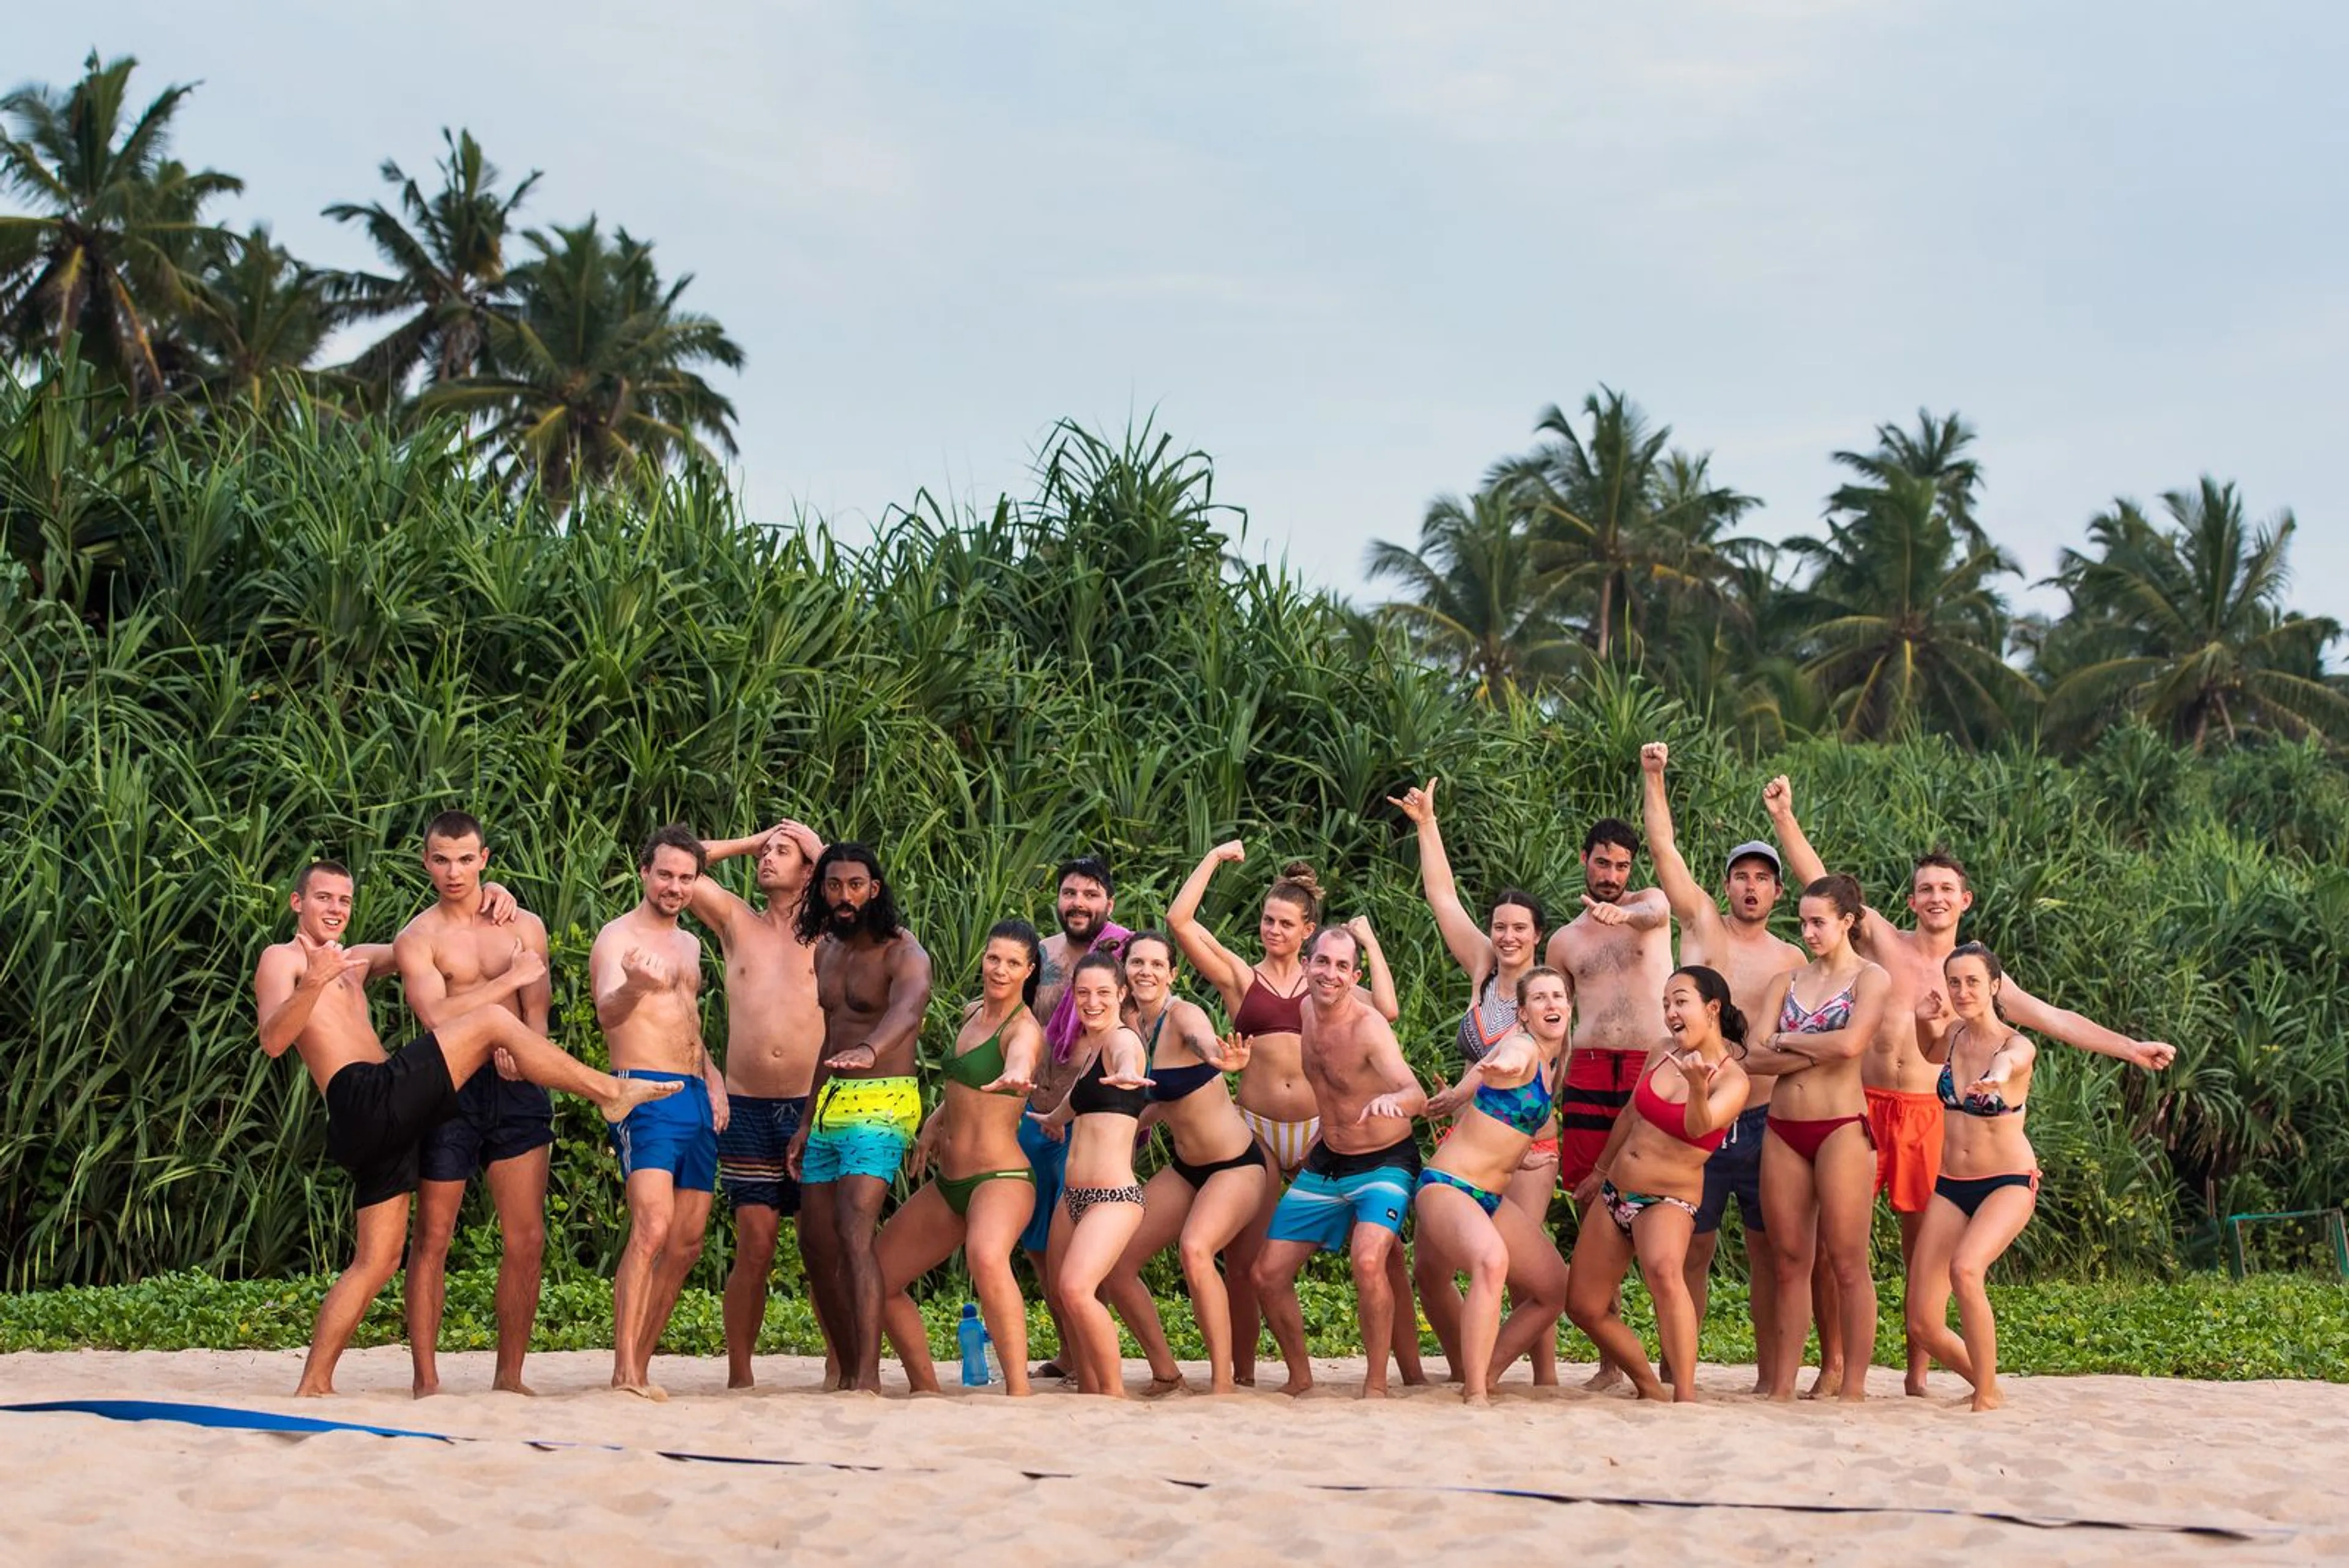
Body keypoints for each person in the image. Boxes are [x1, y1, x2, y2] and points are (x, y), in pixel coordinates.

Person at [1765, 777, 2174, 1395]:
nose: (1936, 897)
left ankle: (1917, 1372)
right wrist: (1785, 818)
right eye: (1926, 888)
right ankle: (1834, 1363)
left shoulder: (1976, 976)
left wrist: (2131, 1048)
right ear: (1911, 899)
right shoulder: (1883, 942)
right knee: (1831, 1247)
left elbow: (2055, 1018)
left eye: (1946, 889)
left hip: (1927, 1113)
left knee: (1920, 1247)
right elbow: (1823, 885)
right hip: (1861, 1105)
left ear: (1965, 900)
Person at [256, 860, 676, 1397]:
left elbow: (426, 939)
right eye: (323, 898)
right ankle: (608, 1092)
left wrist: (486, 894)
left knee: (377, 1260)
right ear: (298, 903)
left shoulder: (353, 961)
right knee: (494, 1021)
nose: (335, 908)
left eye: (344, 899)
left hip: (383, 1122)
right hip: (362, 1093)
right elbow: (273, 1039)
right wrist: (312, 982)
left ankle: (314, 1381)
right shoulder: (284, 959)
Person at [1167, 843, 1417, 1387]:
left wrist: (1370, 944)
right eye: (1267, 920)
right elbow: (1180, 921)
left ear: (1308, 931)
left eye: (1285, 923)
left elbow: (1388, 1009)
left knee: (1385, 1254)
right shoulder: (1241, 977)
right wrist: (1214, 858)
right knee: (1247, 1258)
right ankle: (1245, 1374)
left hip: (1319, 1130)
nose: (1273, 930)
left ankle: (1410, 1371)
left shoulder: (1326, 983)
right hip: (1256, 1127)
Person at [1638, 744, 1803, 1392]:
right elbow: (1664, 851)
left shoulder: (1793, 958)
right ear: (1727, 884)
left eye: (1763, 877)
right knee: (1693, 1250)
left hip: (1762, 1119)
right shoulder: (1704, 925)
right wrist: (1654, 777)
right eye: (1742, 876)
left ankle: (1768, 1378)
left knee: (1768, 1251)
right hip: (1694, 1120)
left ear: (1778, 890)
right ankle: (1677, 1369)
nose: (1751, 886)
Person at [1387, 778, 1560, 1388]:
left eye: (1520, 928)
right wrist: (1427, 824)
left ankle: (1542, 1378)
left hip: (1527, 1147)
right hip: (1465, 1142)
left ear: (1538, 934)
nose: (1508, 936)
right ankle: (1472, 1367)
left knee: (1521, 1268)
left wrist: (1476, 1090)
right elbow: (1442, 897)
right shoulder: (1484, 969)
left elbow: (1538, 1069)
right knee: (1432, 1271)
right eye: (1500, 926)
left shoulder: (1548, 995)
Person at [392, 811, 555, 1399]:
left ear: (484, 858)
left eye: (465, 859)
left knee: (527, 1237)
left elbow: (538, 1013)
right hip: (449, 1085)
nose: (454, 871)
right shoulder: (418, 937)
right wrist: (505, 986)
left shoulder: (524, 924)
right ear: (426, 862)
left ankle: (510, 1375)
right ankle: (426, 1380)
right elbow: (438, 1016)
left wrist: (524, 1047)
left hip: (515, 1085)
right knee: (433, 1235)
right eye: (441, 859)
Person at [1252, 924, 1430, 1399]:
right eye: (1323, 962)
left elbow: (1416, 1093)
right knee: (1266, 1274)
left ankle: (1376, 1384)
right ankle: (1300, 1377)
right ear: (1306, 964)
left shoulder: (1369, 1027)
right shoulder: (1305, 1010)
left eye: (1342, 966)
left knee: (1369, 1260)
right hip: (1328, 1161)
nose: (1330, 973)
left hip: (1384, 1162)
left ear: (1355, 977)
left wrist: (1394, 1101)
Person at [785, 842, 934, 1393]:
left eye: (855, 885)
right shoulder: (825, 949)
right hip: (832, 1100)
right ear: (821, 890)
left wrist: (872, 1049)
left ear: (874, 889)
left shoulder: (904, 952)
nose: (844, 896)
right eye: (833, 885)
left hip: (886, 1097)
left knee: (853, 1227)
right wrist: (807, 1120)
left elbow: (908, 1009)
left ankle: (868, 1377)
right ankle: (848, 1369)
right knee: (814, 1242)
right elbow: (831, 1039)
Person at [590, 824, 732, 1402]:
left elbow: (686, 1021)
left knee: (687, 1242)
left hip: (696, 1096)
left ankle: (641, 1364)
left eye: (686, 877)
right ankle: (624, 1370)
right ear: (644, 871)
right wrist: (633, 985)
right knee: (651, 1227)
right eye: (665, 874)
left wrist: (713, 1078)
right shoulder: (617, 938)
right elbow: (607, 1013)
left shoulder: (691, 945)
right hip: (644, 1095)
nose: (675, 886)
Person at [1566, 966, 1753, 1402]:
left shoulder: (1733, 1080)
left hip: (1668, 1198)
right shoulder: (1662, 1050)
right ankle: (1649, 1385)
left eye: (1681, 1001)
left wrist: (1698, 1089)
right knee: (1583, 1306)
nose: (1670, 1012)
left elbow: (1698, 1128)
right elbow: (1631, 1113)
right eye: (1666, 1003)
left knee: (1666, 1276)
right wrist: (1599, 1170)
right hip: (1616, 1190)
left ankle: (1684, 1396)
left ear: (1712, 1008)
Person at [688, 817, 830, 1391]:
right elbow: (680, 862)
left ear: (810, 869)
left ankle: (839, 1364)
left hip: (812, 1105)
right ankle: (740, 1373)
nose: (768, 858)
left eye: (783, 851)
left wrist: (820, 851)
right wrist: (750, 842)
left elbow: (871, 903)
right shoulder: (736, 921)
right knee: (756, 1243)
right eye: (765, 851)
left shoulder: (829, 931)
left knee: (820, 1245)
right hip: (746, 1105)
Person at [876, 920, 1044, 1395]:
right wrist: (936, 1121)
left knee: (987, 1257)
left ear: (1029, 970)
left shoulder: (1023, 1030)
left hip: (1001, 1177)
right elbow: (964, 1085)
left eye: (1013, 963)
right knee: (879, 1276)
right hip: (950, 1182)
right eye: (994, 958)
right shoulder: (973, 1012)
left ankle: (1018, 1392)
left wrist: (1018, 1072)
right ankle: (926, 1388)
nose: (1000, 969)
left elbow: (1021, 1057)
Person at [1740, 874, 1890, 1403]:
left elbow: (1852, 1044)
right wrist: (1811, 1049)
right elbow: (1753, 1055)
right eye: (1803, 922)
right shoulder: (1786, 980)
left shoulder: (1871, 978)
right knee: (1788, 1261)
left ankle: (1853, 1386)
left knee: (1847, 1260)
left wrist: (1785, 1039)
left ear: (1847, 921)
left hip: (1841, 1126)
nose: (1808, 932)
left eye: (1818, 922)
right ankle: (1782, 1384)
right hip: (1784, 1126)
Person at [1097, 931, 1266, 1395]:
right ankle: (1166, 1371)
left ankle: (1222, 1384)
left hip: (1236, 1166)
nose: (1146, 971)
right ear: (1126, 970)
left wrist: (1220, 1057)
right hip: (1187, 1169)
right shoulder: (1132, 1024)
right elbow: (1164, 1096)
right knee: (1116, 1262)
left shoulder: (1182, 1014)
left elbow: (1202, 1041)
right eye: (1137, 962)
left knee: (1195, 1250)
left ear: (1173, 974)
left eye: (1157, 964)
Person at [1545, 816, 1675, 1388]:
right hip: (1590, 1068)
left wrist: (1624, 915)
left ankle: (1673, 1357)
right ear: (1584, 859)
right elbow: (1555, 1021)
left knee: (1660, 1197)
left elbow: (1654, 911)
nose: (1612, 875)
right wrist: (1547, 1086)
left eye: (1622, 865)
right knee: (1590, 1197)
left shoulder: (1649, 907)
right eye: (1603, 863)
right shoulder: (1564, 941)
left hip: (1652, 1062)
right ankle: (1610, 1360)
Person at [1412, 967, 1572, 1405]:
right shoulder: (1523, 1047)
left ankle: (1488, 1370)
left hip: (1489, 1196)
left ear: (1569, 1006)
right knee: (1490, 1260)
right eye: (1539, 997)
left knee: (1553, 1288)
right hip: (1449, 1186)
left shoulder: (1553, 1064)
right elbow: (1513, 1057)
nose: (1551, 1003)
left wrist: (1521, 1157)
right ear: (1523, 1013)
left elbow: (1499, 1125)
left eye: (1558, 996)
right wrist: (1506, 1065)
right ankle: (1476, 1392)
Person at [1907, 943, 2041, 1411]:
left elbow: (2013, 1063)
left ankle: (1985, 1396)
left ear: (1995, 986)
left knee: (1966, 1269)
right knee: (1922, 1323)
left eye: (1973, 982)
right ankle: (1989, 1382)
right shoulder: (1952, 1034)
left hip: (2007, 1181)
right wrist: (1923, 1020)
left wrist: (1996, 1078)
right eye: (1954, 982)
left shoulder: (2015, 1044)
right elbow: (1929, 1051)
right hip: (1952, 1184)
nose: (1962, 991)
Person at [1021, 855, 1130, 1378]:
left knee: (1086, 1255)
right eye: (1070, 893)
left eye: (1090, 894)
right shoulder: (1040, 954)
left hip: (1087, 1123)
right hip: (1033, 1115)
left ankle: (1093, 1362)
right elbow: (1015, 1020)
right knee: (1040, 1248)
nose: (1078, 903)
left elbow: (1137, 1026)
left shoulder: (1123, 955)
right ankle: (1070, 1351)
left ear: (1109, 902)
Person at [1037, 951, 1157, 1397]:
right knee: (1062, 1296)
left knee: (1076, 1289)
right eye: (1083, 992)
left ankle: (1113, 1394)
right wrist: (1052, 1119)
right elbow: (1076, 1100)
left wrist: (1127, 1072)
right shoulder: (1090, 1052)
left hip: (1113, 1198)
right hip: (1073, 1200)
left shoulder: (1121, 1041)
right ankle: (1090, 1390)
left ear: (1122, 994)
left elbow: (1127, 1059)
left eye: (1104, 992)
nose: (1092, 1001)